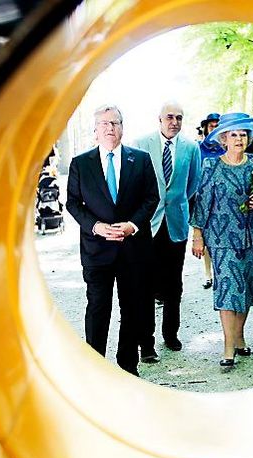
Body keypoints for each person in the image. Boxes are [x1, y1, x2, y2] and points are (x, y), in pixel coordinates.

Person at [65, 104, 159, 376]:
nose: (110, 128)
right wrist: (95, 226)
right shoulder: (81, 163)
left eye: (115, 123)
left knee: (132, 307)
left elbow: (151, 197)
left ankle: (127, 364)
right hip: (97, 249)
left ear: (122, 127)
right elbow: (73, 203)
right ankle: (95, 365)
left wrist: (132, 225)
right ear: (95, 131)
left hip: (132, 249)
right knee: (97, 307)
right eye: (104, 124)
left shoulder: (140, 160)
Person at [189, 112, 253, 368]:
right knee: (227, 290)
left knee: (245, 288)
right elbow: (202, 203)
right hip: (222, 239)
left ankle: (239, 337)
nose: (238, 138)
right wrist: (197, 235)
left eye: (242, 134)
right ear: (223, 139)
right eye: (233, 134)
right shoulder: (211, 166)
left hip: (251, 235)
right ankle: (227, 346)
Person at [132, 101, 202, 358]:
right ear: (159, 119)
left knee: (174, 283)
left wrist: (179, 204)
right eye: (170, 117)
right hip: (147, 224)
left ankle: (171, 334)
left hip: (175, 224)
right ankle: (146, 344)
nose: (174, 122)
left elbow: (193, 184)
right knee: (146, 285)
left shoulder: (191, 148)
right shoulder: (141, 144)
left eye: (179, 118)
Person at [197, 112, 223, 290]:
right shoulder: (198, 148)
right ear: (206, 128)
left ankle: (220, 270)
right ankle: (208, 274)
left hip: (223, 197)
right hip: (205, 196)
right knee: (206, 237)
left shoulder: (226, 146)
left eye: (217, 125)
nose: (214, 128)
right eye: (211, 125)